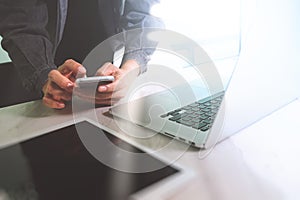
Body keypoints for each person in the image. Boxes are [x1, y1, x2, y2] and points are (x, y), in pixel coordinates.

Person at [0, 0, 163, 109]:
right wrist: (43, 74)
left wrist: (130, 69)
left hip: (104, 86)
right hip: (39, 86)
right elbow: (19, 21)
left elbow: (144, 12)